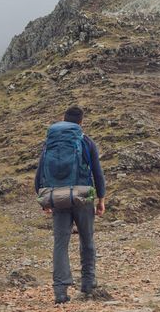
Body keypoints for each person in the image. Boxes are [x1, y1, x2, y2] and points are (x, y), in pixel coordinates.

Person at [35, 106, 106, 304]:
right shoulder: (86, 141)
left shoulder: (50, 142)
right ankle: (88, 284)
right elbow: (97, 173)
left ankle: (60, 291)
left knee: (60, 244)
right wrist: (101, 198)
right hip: (84, 196)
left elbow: (39, 172)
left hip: (57, 198)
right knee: (87, 239)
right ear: (81, 122)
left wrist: (44, 201)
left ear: (63, 119)